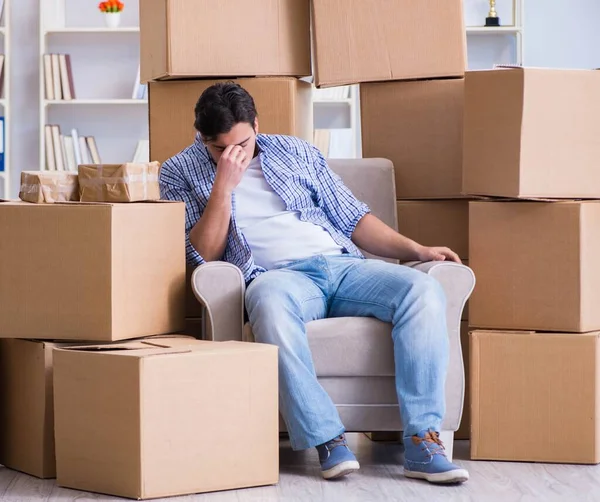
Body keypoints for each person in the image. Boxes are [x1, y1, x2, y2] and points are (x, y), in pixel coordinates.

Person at [159, 82, 469, 485]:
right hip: (277, 278)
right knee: (268, 306)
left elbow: (354, 219)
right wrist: (223, 184)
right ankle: (327, 439)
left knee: (424, 290)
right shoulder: (177, 171)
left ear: (257, 124)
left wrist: (418, 249)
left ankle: (423, 442)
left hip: (340, 264)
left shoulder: (296, 151)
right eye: (221, 149)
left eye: (244, 143)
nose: (235, 155)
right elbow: (203, 253)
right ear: (203, 139)